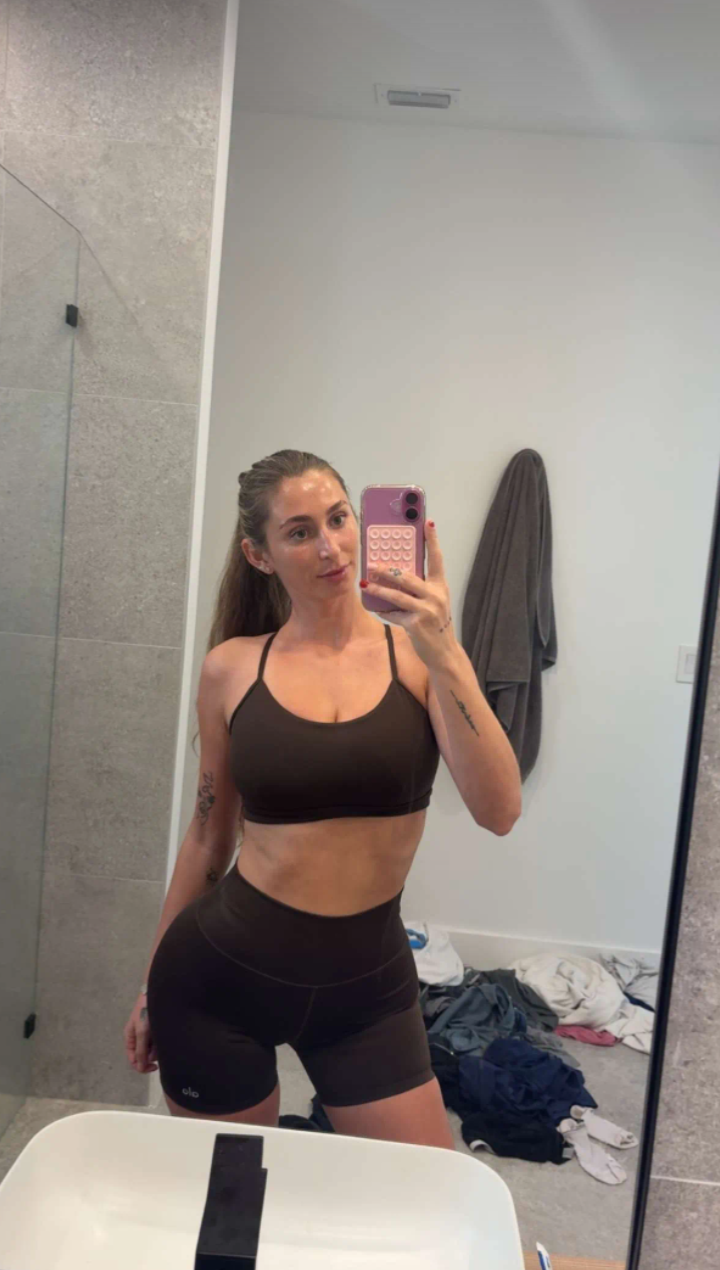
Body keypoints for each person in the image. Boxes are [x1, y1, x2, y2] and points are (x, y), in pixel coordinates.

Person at [124, 449, 521, 1147]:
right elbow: (209, 838)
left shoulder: (420, 661)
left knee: (419, 1193)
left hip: (367, 993)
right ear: (260, 555)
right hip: (219, 980)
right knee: (234, 1200)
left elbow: (500, 811)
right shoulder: (231, 669)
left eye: (339, 519)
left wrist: (443, 645)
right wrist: (152, 984)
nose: (331, 547)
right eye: (300, 532)